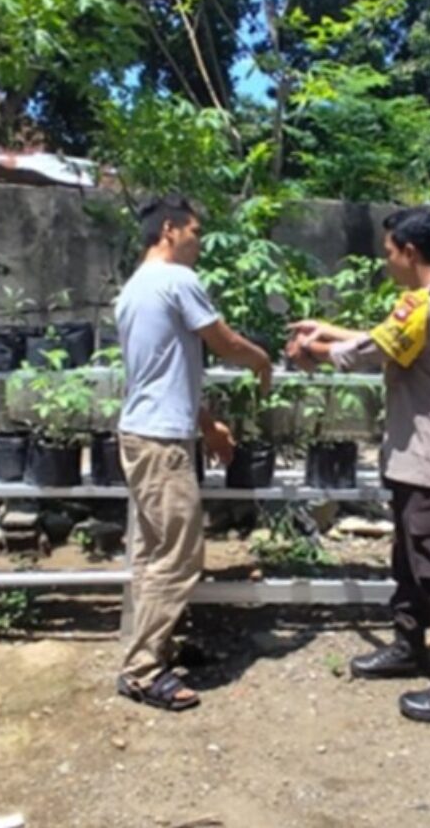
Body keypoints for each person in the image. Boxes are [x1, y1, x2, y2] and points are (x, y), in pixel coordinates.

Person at [285, 207, 430, 725]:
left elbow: (368, 352)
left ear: (410, 251)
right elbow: (385, 339)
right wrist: (327, 329)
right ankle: (408, 647)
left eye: (388, 252)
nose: (386, 261)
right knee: (410, 564)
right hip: (413, 458)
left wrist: (311, 348)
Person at [115, 193, 273, 712]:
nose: (199, 243)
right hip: (160, 442)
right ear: (169, 229)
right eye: (196, 233)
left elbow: (165, 374)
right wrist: (262, 360)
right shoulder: (177, 281)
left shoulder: (134, 290)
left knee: (154, 553)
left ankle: (153, 648)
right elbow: (224, 343)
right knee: (180, 556)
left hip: (143, 434)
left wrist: (207, 426)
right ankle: (142, 671)